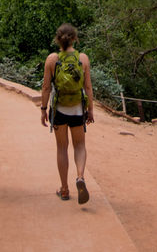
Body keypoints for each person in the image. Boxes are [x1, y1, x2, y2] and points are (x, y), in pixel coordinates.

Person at [40, 23, 94, 204]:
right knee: (79, 145)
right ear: (74, 38)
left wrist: (43, 109)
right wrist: (91, 109)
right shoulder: (83, 58)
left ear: (58, 39)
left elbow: (46, 87)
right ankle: (80, 176)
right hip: (78, 109)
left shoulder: (52, 59)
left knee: (61, 148)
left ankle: (64, 189)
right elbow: (87, 87)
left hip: (59, 108)